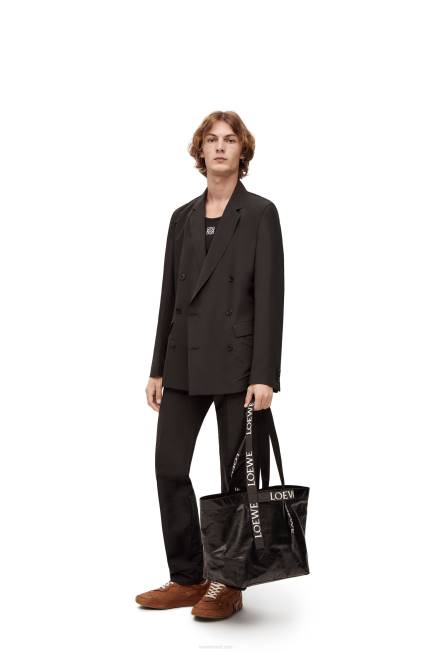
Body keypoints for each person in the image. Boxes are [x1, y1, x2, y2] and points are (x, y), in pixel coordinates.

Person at [135, 110, 284, 619]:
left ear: (243, 151)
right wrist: (157, 366)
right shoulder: (181, 218)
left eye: (230, 139)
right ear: (200, 151)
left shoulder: (260, 214)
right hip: (183, 361)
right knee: (169, 467)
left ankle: (228, 582)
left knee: (235, 478)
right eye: (212, 140)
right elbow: (169, 298)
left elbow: (270, 298)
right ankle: (187, 576)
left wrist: (264, 374)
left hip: (239, 367)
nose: (220, 147)